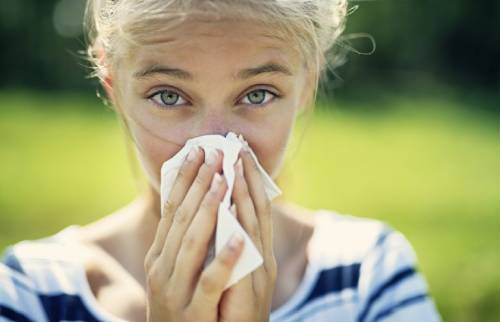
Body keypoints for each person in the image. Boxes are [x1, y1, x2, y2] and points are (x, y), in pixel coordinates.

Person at [0, 0, 442, 321]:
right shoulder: (31, 293)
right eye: (169, 96)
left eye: (257, 94)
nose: (214, 146)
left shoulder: (369, 277)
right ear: (115, 85)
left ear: (307, 82)